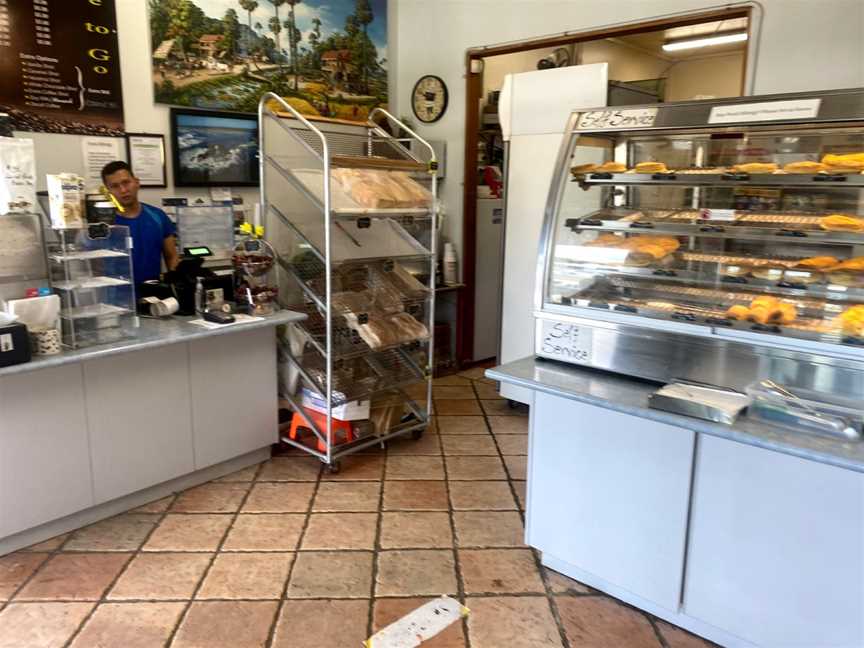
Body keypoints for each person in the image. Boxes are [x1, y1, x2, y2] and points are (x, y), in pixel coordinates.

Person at [101, 161, 179, 284]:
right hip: (116, 298)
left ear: (136, 182)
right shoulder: (103, 224)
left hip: (153, 296)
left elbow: (172, 256)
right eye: (115, 186)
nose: (123, 190)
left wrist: (176, 286)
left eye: (126, 182)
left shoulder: (158, 217)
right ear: (108, 192)